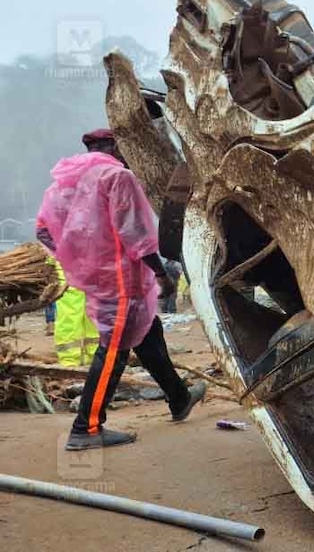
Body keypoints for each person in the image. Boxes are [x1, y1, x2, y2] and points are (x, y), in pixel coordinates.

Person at [37, 129, 206, 451]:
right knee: (113, 349)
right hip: (123, 284)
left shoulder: (62, 184)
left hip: (101, 282)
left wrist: (81, 262)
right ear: (116, 147)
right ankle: (84, 429)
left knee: (148, 333)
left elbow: (43, 230)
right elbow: (136, 233)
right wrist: (161, 273)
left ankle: (179, 398)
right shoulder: (117, 177)